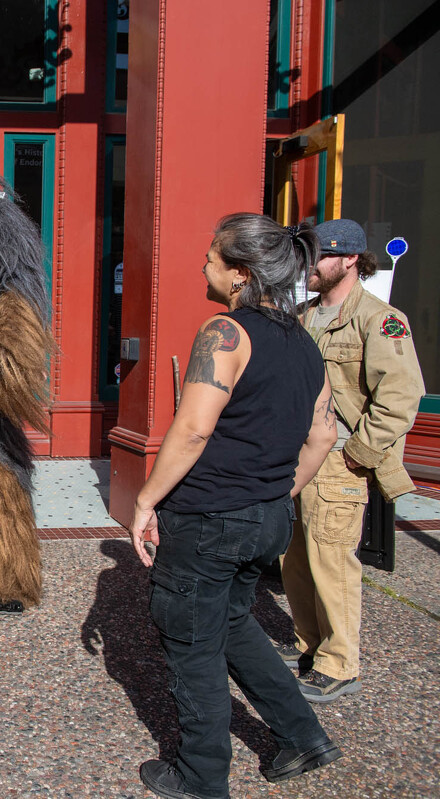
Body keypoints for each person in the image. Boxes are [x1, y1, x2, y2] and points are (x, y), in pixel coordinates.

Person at [129, 214, 342, 799]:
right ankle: (303, 734)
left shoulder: (226, 333)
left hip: (208, 518)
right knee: (233, 623)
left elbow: (194, 429)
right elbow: (323, 434)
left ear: (241, 275)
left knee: (193, 641)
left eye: (211, 258)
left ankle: (200, 776)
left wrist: (146, 500)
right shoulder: (305, 343)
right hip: (268, 515)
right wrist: (276, 493)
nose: (204, 266)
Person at [278, 218, 425, 703]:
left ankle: (340, 663)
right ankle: (310, 645)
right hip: (300, 457)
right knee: (295, 558)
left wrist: (359, 454)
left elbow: (401, 397)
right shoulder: (302, 315)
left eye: (319, 255)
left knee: (331, 560)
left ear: (350, 261)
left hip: (340, 462)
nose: (309, 265)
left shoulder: (379, 318)